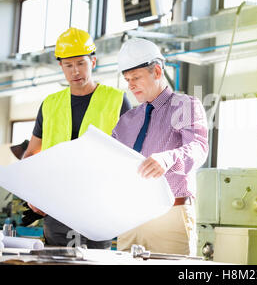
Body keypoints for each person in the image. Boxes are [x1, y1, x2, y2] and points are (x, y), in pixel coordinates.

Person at [23, 27, 132, 249]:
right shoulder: (50, 104)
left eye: (81, 63)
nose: (75, 71)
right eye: (69, 65)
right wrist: (31, 192)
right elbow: (32, 153)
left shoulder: (117, 100)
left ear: (93, 62)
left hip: (99, 209)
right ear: (60, 66)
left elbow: (131, 157)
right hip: (57, 207)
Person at [112, 38, 209, 256]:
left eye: (136, 77)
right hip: (129, 216)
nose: (131, 85)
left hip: (169, 215)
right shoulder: (126, 120)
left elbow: (198, 148)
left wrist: (167, 159)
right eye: (127, 79)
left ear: (157, 71)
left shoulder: (185, 106)